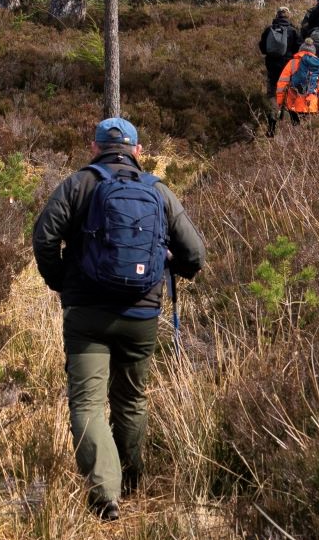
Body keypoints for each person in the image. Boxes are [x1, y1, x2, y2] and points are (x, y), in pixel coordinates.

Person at [30, 118, 206, 519]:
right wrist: (171, 269)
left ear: (95, 148)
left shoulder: (78, 184)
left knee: (87, 403)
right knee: (130, 398)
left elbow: (44, 236)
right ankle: (131, 480)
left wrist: (61, 281)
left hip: (86, 314)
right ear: (137, 151)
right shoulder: (157, 190)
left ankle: (106, 497)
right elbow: (195, 253)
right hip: (140, 315)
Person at [274, 42, 319, 130]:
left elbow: (281, 85)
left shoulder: (292, 63)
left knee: (294, 130)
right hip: (311, 106)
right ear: (314, 52)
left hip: (293, 104)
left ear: (300, 50)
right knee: (308, 133)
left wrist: (280, 103)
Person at [257, 6, 300, 102]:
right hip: (287, 65)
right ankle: (284, 113)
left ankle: (272, 112)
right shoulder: (293, 30)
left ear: (277, 15)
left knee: (272, 89)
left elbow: (262, 48)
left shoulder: (269, 29)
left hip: (271, 64)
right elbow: (298, 49)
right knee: (286, 88)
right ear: (288, 16)